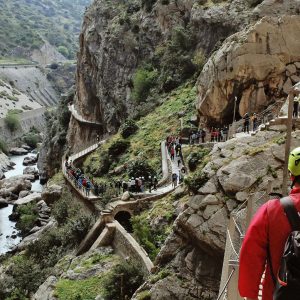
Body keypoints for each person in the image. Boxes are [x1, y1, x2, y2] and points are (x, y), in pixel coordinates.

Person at [238, 147, 300, 300]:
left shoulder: (272, 210)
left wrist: (250, 294)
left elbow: (250, 255)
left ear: (291, 176)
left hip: (278, 293)